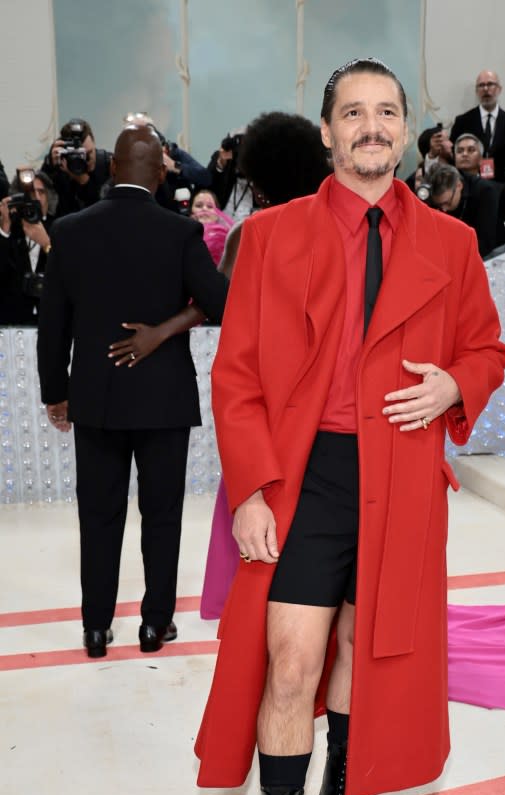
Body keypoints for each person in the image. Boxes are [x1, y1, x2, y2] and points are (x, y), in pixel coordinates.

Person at [194, 57, 505, 795]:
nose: (370, 127)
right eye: (352, 113)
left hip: (400, 480)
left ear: (404, 130)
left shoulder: (449, 244)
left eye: (386, 112)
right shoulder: (272, 237)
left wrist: (455, 383)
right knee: (290, 665)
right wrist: (252, 489)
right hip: (304, 481)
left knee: (358, 657)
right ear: (328, 131)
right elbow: (237, 376)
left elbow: (488, 351)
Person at [36, 124, 227, 658]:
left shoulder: (70, 230)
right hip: (164, 400)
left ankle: (95, 629)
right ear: (159, 172)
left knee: (98, 514)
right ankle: (154, 625)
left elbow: (54, 323)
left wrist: (56, 391)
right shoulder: (181, 233)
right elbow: (220, 303)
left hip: (95, 398)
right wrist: (166, 330)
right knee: (162, 513)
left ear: (113, 170)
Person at [200, 111, 331, 618]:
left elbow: (224, 310)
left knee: (261, 535)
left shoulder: (251, 235)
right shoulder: (336, 232)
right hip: (322, 407)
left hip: (268, 405)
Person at [0, 170, 56, 325]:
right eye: (31, 193)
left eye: (41, 192)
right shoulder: (10, 231)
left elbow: (70, 273)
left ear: (48, 197)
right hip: (11, 321)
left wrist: (46, 243)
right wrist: (4, 229)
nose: (36, 198)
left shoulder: (61, 228)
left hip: (50, 320)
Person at [450, 70, 505, 182]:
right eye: (481, 85)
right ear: (476, 91)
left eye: (490, 84)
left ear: (499, 89)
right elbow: (453, 154)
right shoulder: (462, 121)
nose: (486, 89)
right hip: (468, 184)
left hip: (499, 186)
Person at [423, 163, 502, 257]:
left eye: (447, 203)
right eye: (439, 205)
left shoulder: (484, 192)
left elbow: (485, 244)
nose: (444, 209)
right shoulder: (432, 196)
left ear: (459, 185)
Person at [41, 118, 113, 217]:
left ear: (94, 142)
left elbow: (105, 211)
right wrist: (49, 168)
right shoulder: (59, 164)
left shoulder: (108, 165)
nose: (88, 159)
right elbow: (44, 204)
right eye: (79, 154)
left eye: (89, 152)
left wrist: (84, 181)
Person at [189, 189, 233, 266]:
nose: (204, 209)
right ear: (191, 211)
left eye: (209, 206)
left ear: (218, 212)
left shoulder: (230, 236)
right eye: (199, 206)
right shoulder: (182, 233)